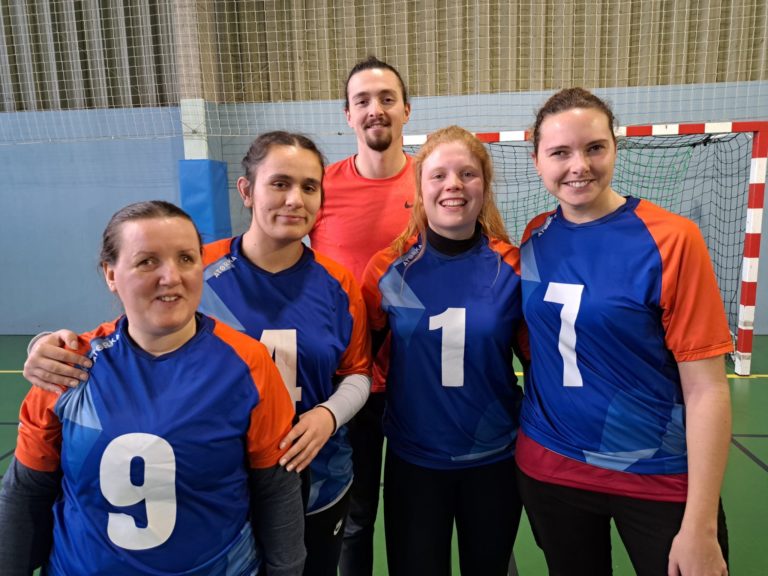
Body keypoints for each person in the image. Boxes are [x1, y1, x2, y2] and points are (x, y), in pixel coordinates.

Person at [21, 132, 373, 576]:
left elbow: (358, 371)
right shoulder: (192, 265)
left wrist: (328, 416)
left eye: (309, 186)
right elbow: (125, 327)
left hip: (316, 474)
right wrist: (46, 346)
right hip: (212, 482)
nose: (294, 200)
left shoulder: (339, 284)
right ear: (247, 191)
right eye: (279, 183)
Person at [0, 200, 304, 575]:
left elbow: (275, 491)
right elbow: (26, 492)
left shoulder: (249, 364)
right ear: (111, 274)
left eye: (186, 259)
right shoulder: (67, 368)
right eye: (147, 261)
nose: (171, 277)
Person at [516, 87, 731, 576]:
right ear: (536, 162)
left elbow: (707, 389)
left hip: (657, 476)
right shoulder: (534, 235)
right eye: (560, 153)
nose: (579, 166)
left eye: (594, 148)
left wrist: (699, 525)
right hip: (552, 470)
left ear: (615, 148)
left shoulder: (672, 238)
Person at [361, 126, 525, 576]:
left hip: (494, 461)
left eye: (466, 173)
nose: (453, 184)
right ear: (419, 189)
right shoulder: (387, 270)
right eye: (438, 175)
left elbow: (537, 363)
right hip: (415, 462)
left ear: (484, 186)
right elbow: (361, 364)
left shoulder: (512, 266)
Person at [308, 55, 415, 576]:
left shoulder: (437, 182)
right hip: (348, 380)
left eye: (386, 99)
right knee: (355, 519)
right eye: (363, 101)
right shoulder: (319, 189)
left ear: (406, 111)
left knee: (425, 510)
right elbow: (260, 255)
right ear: (347, 115)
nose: (376, 110)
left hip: (424, 379)